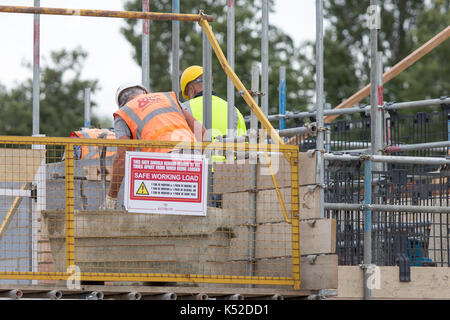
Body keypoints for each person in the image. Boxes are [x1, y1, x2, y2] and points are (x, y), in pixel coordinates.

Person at [102, 82, 206, 210]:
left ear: (120, 103)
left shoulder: (124, 113)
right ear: (144, 92)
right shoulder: (169, 98)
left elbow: (121, 156)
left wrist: (111, 197)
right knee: (189, 211)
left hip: (161, 165)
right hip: (193, 160)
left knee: (157, 215)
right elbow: (201, 132)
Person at [180, 66, 248, 207]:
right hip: (230, 176)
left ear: (191, 89)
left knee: (200, 225)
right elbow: (245, 148)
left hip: (198, 176)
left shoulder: (184, 109)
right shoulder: (234, 110)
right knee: (226, 226)